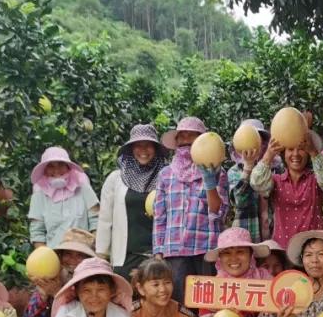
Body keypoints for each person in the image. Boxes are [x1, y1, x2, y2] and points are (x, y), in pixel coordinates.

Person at [153, 116, 230, 303]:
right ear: (176, 142)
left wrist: (210, 182)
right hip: (175, 250)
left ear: (202, 142)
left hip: (206, 248)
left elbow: (219, 213)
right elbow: (159, 216)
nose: (186, 140)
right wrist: (158, 251)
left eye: (192, 136)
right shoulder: (165, 174)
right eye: (182, 136)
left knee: (208, 303)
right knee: (180, 303)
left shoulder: (218, 172)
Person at [96, 124, 169, 279]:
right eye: (138, 145)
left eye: (148, 145)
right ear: (131, 149)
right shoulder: (116, 179)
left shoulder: (167, 177)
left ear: (155, 149)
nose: (143, 150)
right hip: (125, 257)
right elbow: (105, 220)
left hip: (157, 257)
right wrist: (101, 256)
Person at [22, 228, 97, 317]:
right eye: (68, 254)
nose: (72, 261)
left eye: (79, 256)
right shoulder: (50, 275)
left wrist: (57, 293)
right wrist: (44, 295)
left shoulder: (93, 285)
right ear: (60, 257)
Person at [249, 128, 323, 249]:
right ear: (283, 153)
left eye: (301, 149)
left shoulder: (316, 179)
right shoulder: (276, 181)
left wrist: (314, 152)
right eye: (290, 149)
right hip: (283, 250)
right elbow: (256, 183)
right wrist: (268, 154)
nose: (295, 154)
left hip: (313, 251)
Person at [28, 146, 99, 247]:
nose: (56, 170)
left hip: (84, 255)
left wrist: (94, 252)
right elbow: (37, 232)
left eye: (61, 165)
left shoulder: (82, 187)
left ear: (68, 166)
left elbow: (96, 220)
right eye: (51, 166)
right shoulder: (39, 194)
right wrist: (45, 258)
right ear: (44, 169)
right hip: (54, 256)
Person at [227, 118, 273, 242]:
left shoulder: (274, 168)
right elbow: (240, 202)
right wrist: (248, 168)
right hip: (245, 236)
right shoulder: (235, 172)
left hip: (270, 236)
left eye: (259, 139)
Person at [129, 258, 196, 317]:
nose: (163, 289)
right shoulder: (131, 316)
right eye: (155, 284)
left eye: (167, 282)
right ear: (140, 289)